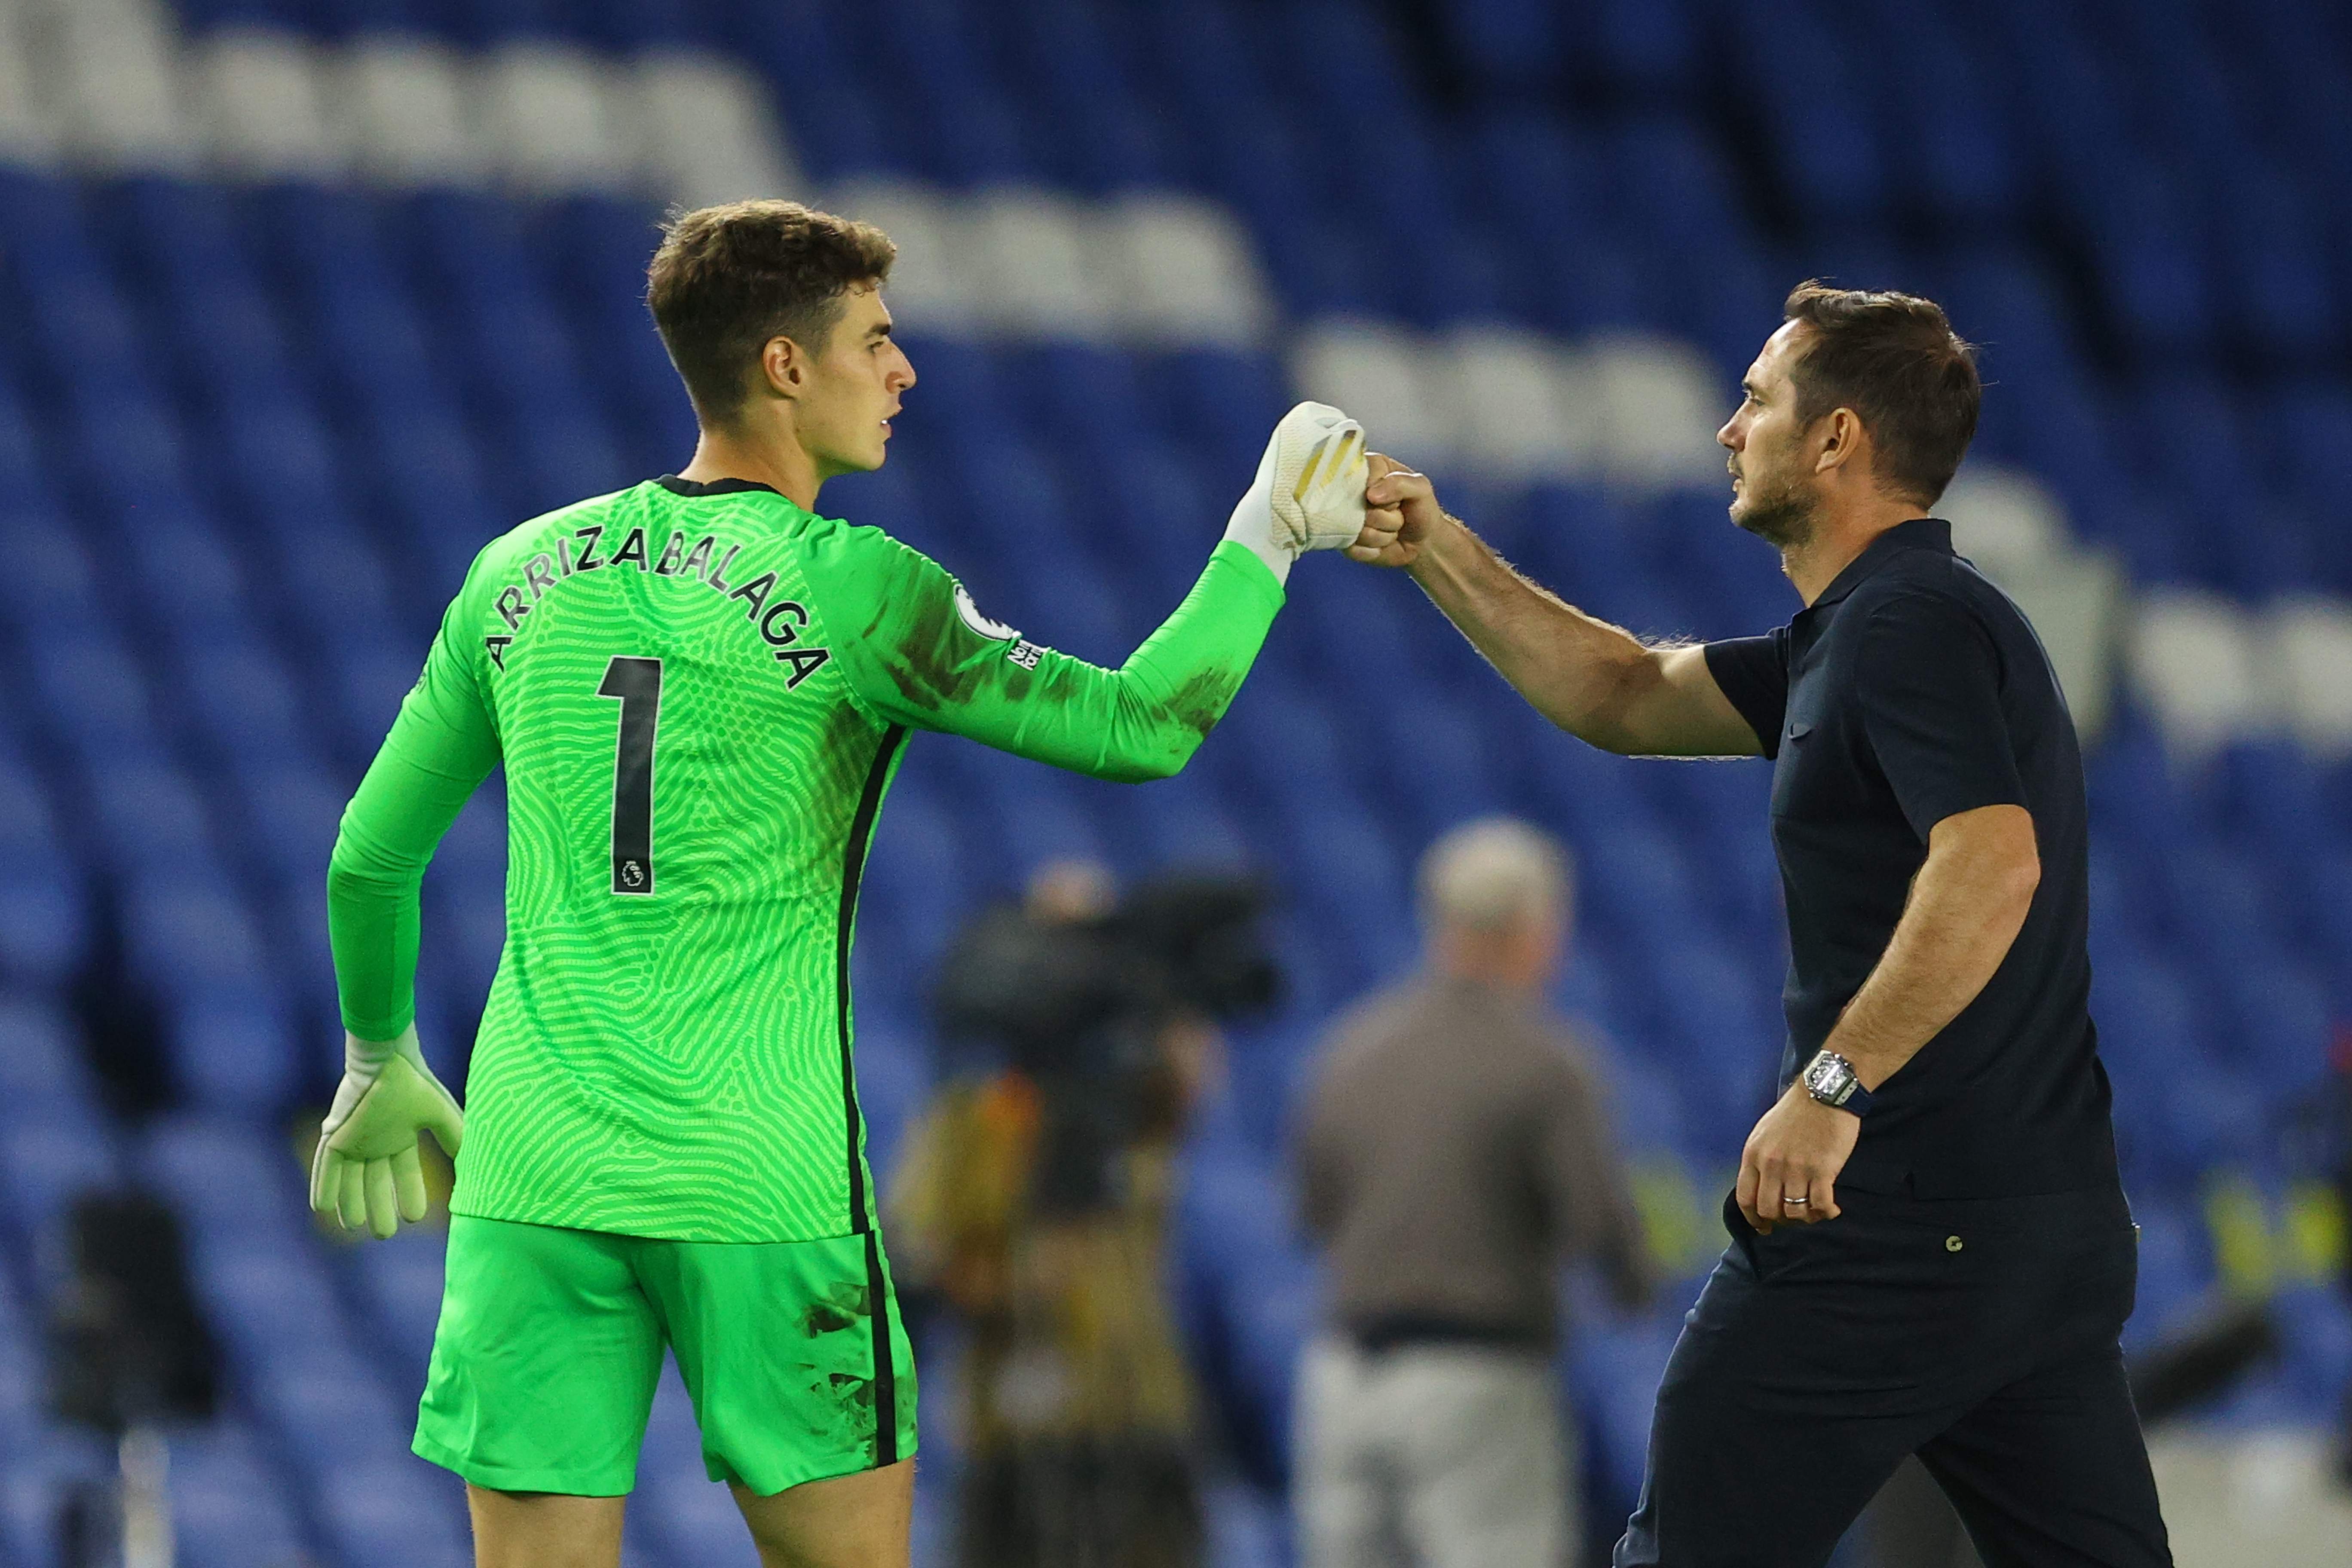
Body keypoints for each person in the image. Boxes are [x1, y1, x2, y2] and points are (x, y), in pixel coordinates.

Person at [303, 200, 1372, 1568]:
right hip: (763, 1186)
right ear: (786, 367)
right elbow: (1141, 728)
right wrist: (1266, 533)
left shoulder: (517, 572)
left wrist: (377, 1048)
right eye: (877, 339)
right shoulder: (858, 589)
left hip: (533, 1173)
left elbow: (368, 857)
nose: (905, 369)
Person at [1347, 283, 2173, 1566]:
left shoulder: (1906, 625)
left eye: (1756, 401)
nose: (1730, 432)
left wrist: (1834, 1086)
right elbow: (1622, 694)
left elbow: (1990, 862)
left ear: (1836, 439)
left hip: (1894, 1227)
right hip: (2037, 1229)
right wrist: (1436, 545)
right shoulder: (1868, 633)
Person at [1292, 816, 1650, 1568]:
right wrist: (1637, 1288)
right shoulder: (1545, 1062)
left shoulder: (1349, 1050)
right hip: (1478, 1375)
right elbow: (1597, 1228)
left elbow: (1310, 1214)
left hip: (1344, 1370)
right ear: (1532, 927)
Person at [888, 859, 1233, 1568]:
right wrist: (1013, 1274)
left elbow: (1194, 1079)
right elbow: (921, 1255)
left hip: (1136, 1406)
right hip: (1017, 1424)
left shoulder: (1130, 1099)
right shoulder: (973, 1115)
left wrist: (1156, 985)